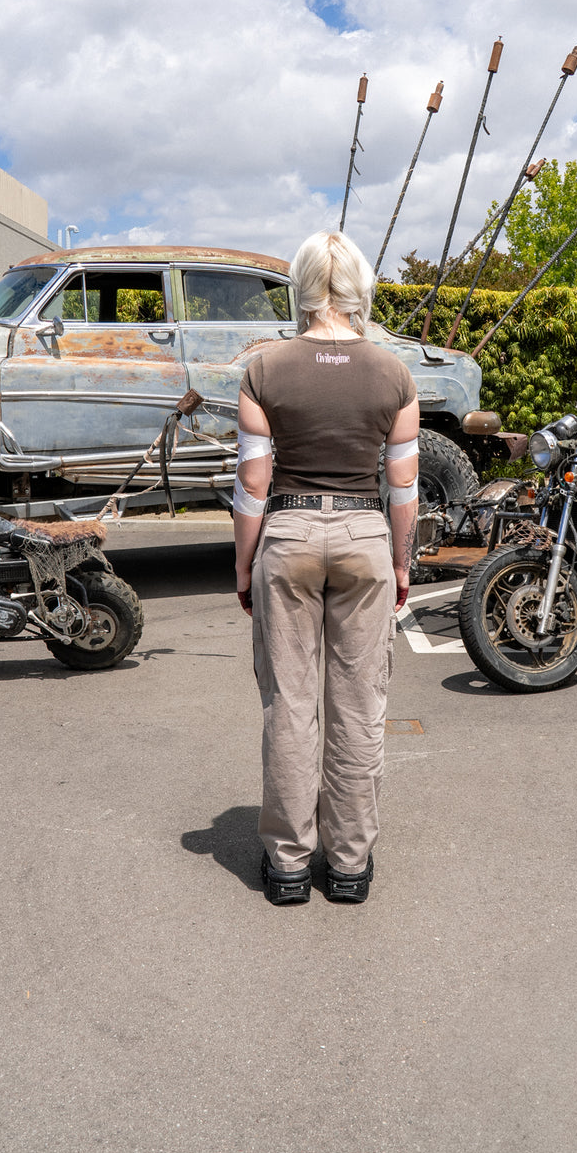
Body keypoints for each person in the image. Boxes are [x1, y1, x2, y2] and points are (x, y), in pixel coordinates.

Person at [232, 230, 420, 905]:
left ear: (302, 287)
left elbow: (254, 482)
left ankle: (287, 865)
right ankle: (347, 864)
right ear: (359, 287)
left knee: (291, 703)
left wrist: (243, 562)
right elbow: (404, 488)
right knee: (359, 704)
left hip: (288, 530)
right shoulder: (394, 374)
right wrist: (401, 563)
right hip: (365, 535)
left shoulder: (264, 368)